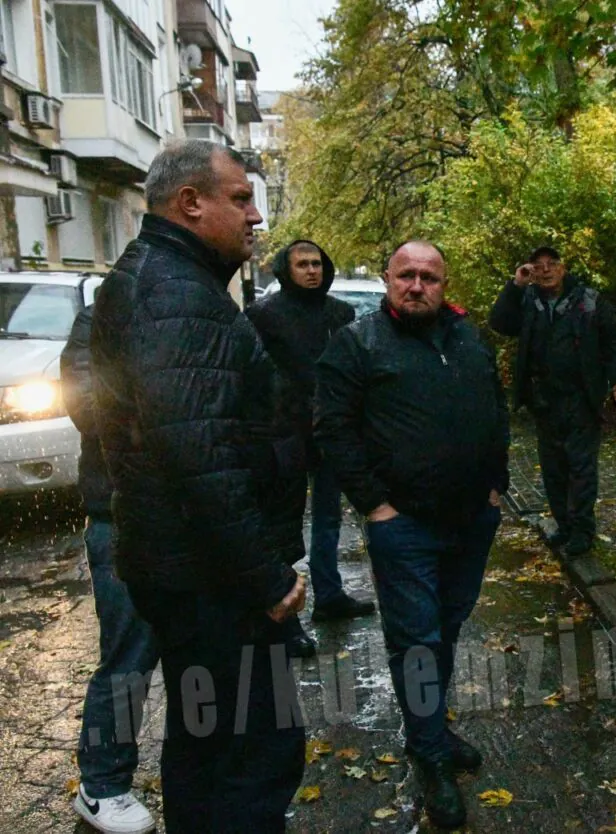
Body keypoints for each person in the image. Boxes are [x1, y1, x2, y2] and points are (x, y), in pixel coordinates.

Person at [90, 140, 307, 833]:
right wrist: (267, 580)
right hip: (213, 581)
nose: (255, 219)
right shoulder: (175, 292)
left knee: (210, 743)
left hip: (192, 570)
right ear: (192, 203)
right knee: (249, 754)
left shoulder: (165, 278)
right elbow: (199, 458)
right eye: (241, 199)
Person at [315, 240, 509, 830]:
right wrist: (375, 505)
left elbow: (496, 409)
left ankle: (433, 729)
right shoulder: (358, 343)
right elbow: (333, 429)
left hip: (471, 520)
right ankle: (429, 756)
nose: (417, 285)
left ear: (444, 283)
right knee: (417, 640)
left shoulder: (468, 340)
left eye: (429, 276)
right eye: (407, 275)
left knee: (446, 629)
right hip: (406, 528)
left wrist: (496, 484)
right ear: (387, 280)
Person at [247, 240, 376, 659]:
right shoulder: (263, 315)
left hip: (330, 429)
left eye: (317, 263)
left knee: (328, 519)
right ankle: (289, 618)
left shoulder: (340, 313)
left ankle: (330, 594)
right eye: (302, 264)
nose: (311, 270)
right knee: (284, 527)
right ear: (287, 268)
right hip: (282, 434)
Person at [61, 307, 159, 834]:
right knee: (128, 658)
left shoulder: (196, 313)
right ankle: (102, 786)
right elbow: (87, 407)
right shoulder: (98, 321)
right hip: (121, 516)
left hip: (191, 518)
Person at [488, 245, 616, 557]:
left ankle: (582, 531)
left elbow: (612, 343)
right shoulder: (528, 300)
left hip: (581, 399)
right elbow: (498, 323)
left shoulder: (589, 301)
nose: (546, 270)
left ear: (564, 268)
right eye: (538, 265)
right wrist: (515, 285)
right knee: (554, 469)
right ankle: (563, 525)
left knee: (581, 467)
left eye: (552, 264)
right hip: (544, 400)